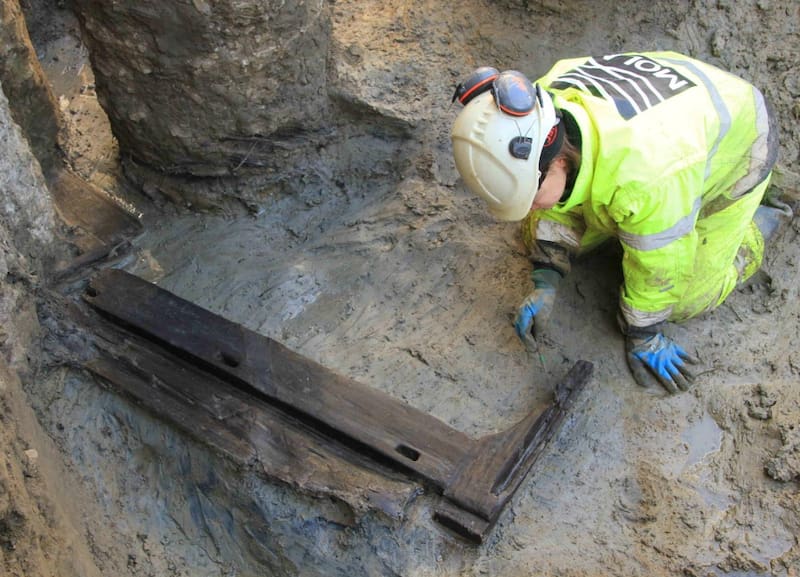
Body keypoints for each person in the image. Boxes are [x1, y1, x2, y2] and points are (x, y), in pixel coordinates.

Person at [450, 51, 791, 394]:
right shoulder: (538, 114)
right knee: (553, 223)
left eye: (529, 195)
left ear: (557, 163)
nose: (527, 208)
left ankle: (761, 212)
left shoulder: (648, 179)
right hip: (681, 111)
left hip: (740, 141)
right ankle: (638, 219)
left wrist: (643, 333)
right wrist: (546, 277)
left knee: (687, 297)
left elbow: (663, 269)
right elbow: (551, 205)